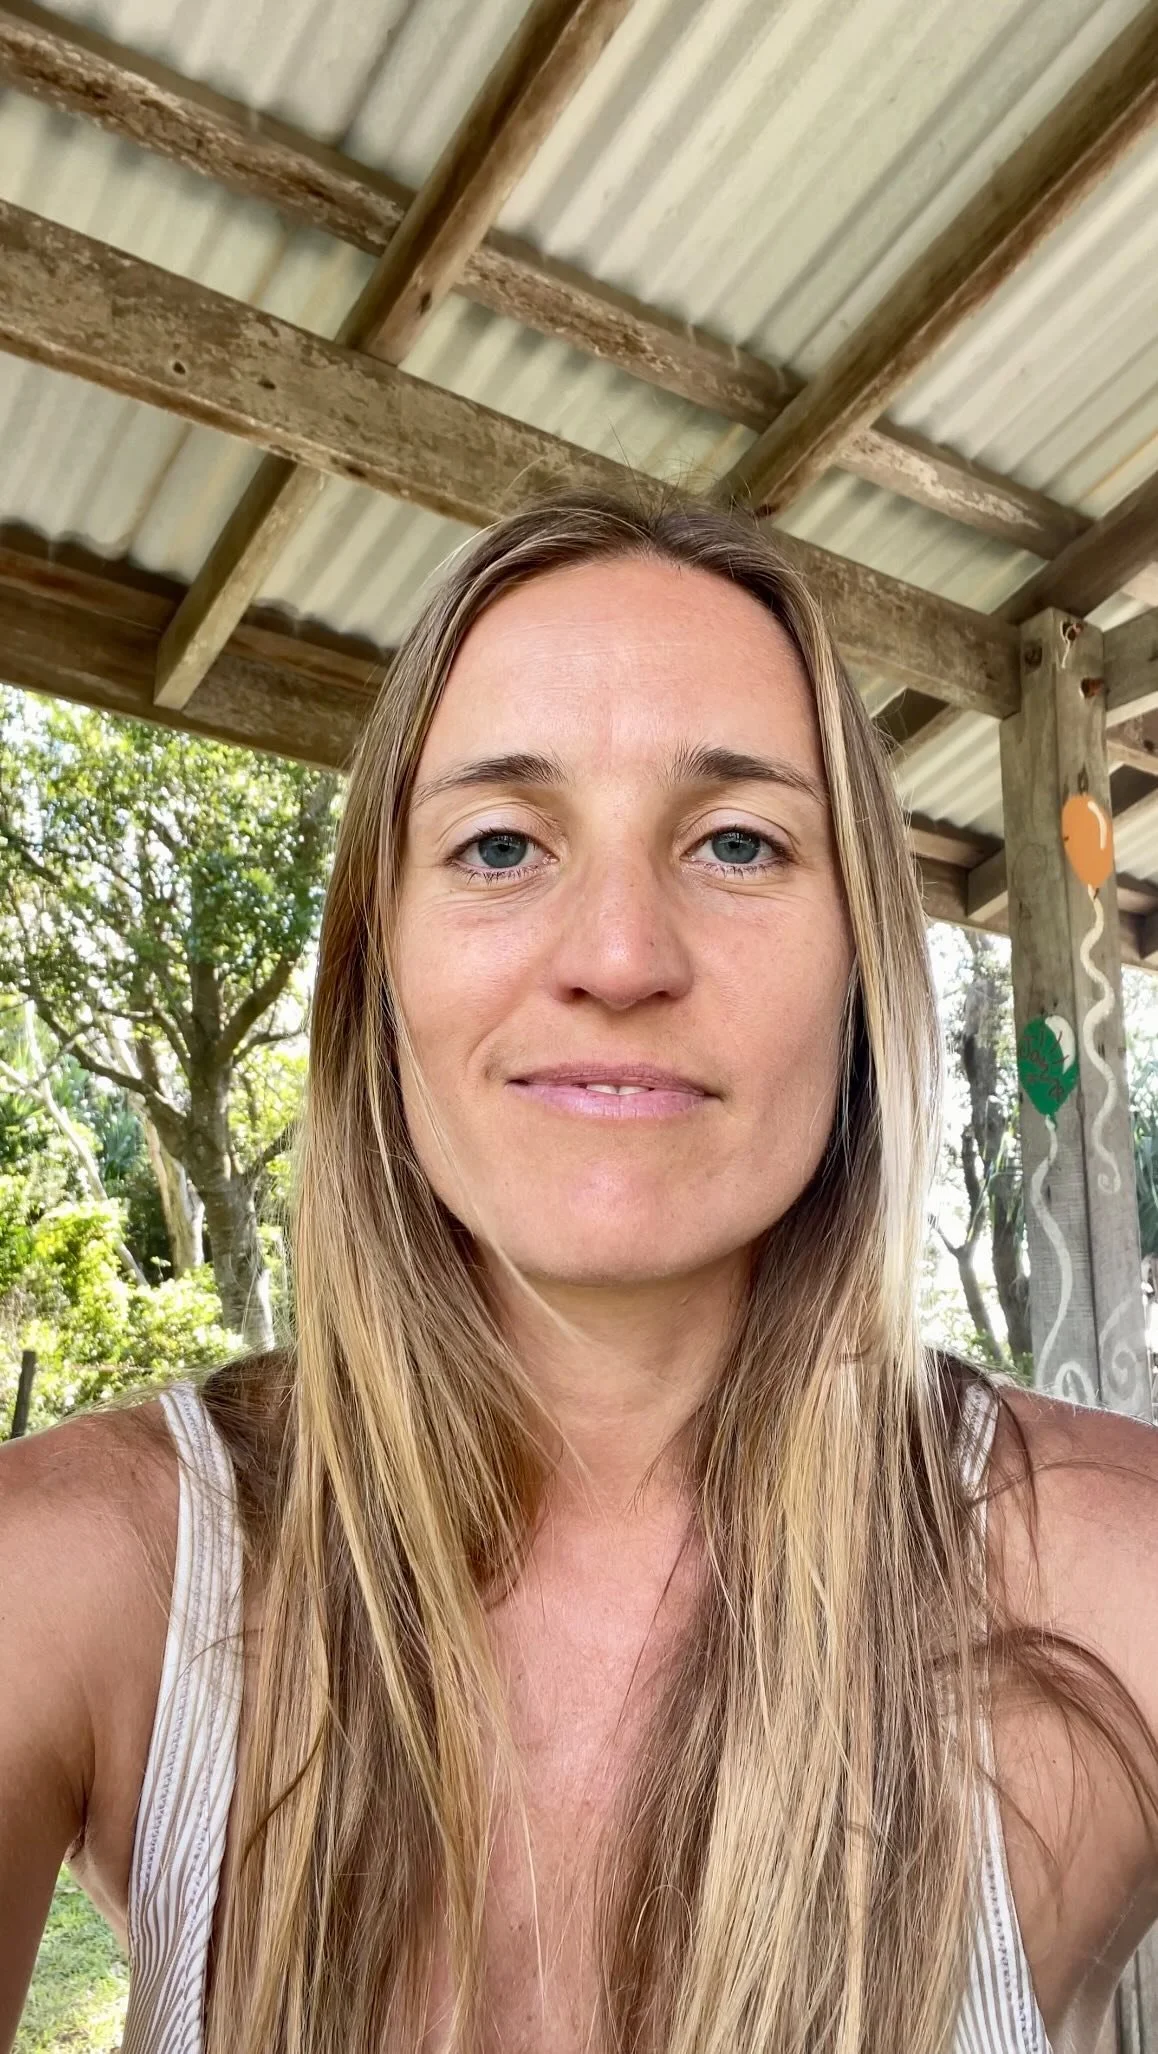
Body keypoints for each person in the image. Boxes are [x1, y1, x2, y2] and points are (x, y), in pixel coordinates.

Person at [2, 489, 1158, 2054]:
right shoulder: (78, 1571)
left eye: (738, 842)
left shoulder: (1114, 1573)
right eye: (499, 844)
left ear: (860, 968)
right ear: (377, 969)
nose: (617, 955)